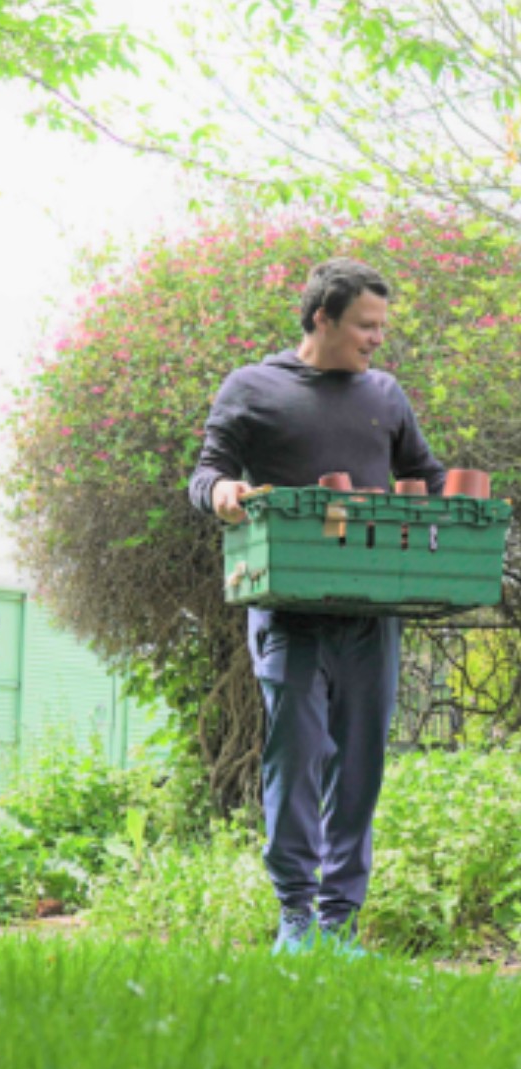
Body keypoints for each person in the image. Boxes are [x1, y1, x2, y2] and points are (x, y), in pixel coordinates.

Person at [189, 257, 445, 954]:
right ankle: (296, 915)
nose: (377, 339)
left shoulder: (384, 394)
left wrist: (443, 527)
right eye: (365, 325)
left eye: (381, 326)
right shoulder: (253, 387)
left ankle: (340, 923)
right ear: (321, 317)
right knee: (295, 757)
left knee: (359, 768)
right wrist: (220, 493)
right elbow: (208, 470)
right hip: (288, 610)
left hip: (370, 612)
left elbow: (426, 477)